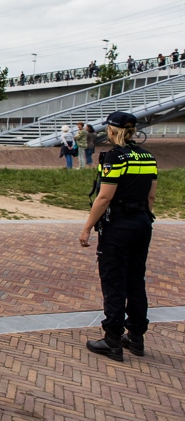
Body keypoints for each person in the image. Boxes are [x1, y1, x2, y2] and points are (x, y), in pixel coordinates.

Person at [78, 111, 157, 362]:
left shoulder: (114, 156)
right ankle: (136, 336)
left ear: (112, 131)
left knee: (114, 280)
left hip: (119, 224)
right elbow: (151, 196)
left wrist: (87, 227)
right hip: (142, 222)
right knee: (135, 278)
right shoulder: (148, 156)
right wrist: (143, 218)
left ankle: (112, 339)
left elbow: (104, 197)